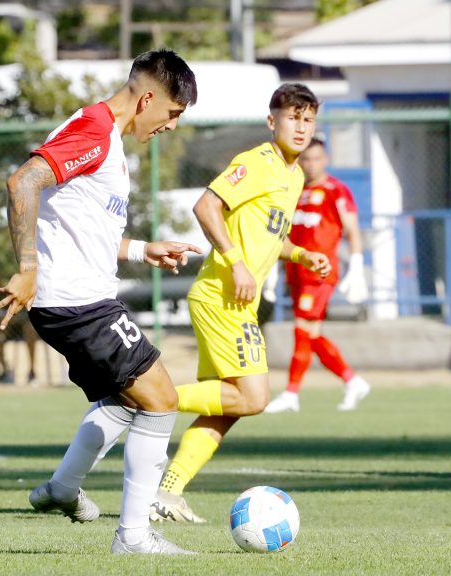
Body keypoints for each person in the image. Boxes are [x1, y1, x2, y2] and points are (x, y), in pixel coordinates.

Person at [0, 49, 201, 555]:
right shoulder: (95, 131)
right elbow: (23, 182)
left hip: (74, 301)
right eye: (172, 112)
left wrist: (142, 250)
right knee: (162, 400)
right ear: (147, 99)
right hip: (79, 303)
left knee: (124, 401)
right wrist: (27, 268)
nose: (172, 125)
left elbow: (80, 227)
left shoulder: (103, 137)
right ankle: (133, 537)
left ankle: (63, 488)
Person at [149, 83, 330, 524]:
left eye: (308, 120)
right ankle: (144, 399)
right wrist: (236, 264)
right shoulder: (256, 162)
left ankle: (167, 493)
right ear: (272, 121)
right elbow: (206, 207)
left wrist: (301, 254)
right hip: (221, 297)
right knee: (253, 398)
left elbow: (268, 237)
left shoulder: (294, 175)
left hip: (238, 302)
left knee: (227, 408)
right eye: (292, 118)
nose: (301, 127)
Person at [264, 138, 370, 414]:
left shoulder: (336, 190)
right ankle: (352, 380)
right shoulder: (294, 189)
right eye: (306, 159)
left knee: (301, 329)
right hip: (295, 270)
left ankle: (291, 393)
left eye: (316, 158)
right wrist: (273, 268)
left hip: (320, 272)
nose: (311, 164)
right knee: (311, 335)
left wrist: (357, 264)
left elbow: (352, 229)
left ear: (326, 159)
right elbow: (281, 232)